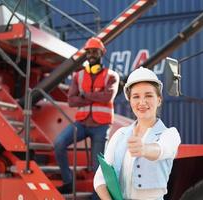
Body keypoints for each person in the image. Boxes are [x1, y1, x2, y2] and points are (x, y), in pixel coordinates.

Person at [93, 67, 181, 200]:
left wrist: (144, 149)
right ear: (130, 101)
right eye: (136, 97)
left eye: (148, 95)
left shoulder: (170, 134)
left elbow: (161, 149)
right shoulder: (119, 135)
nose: (142, 102)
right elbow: (100, 179)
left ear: (159, 100)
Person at [54, 37, 120, 196]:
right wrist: (95, 94)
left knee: (98, 165)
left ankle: (97, 196)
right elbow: (71, 101)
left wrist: (84, 95)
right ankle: (68, 181)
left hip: (101, 126)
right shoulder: (78, 76)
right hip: (82, 123)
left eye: (94, 51)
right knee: (59, 143)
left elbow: (107, 97)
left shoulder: (111, 76)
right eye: (88, 51)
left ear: (102, 53)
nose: (91, 54)